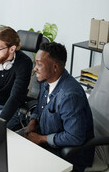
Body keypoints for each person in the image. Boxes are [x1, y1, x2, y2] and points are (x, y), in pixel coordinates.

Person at [23, 42, 94, 172]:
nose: (35, 68)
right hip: (47, 141)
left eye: (39, 64)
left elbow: (75, 137)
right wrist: (33, 120)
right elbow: (40, 106)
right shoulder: (47, 80)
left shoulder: (70, 96)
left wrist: (40, 139)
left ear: (55, 67)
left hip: (68, 155)